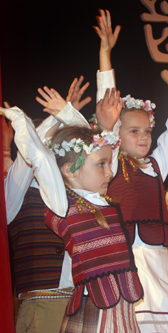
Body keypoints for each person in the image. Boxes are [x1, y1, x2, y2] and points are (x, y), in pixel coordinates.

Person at [92, 9, 168, 332]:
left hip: (161, 262)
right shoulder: (107, 161)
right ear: (117, 133)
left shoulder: (156, 165)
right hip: (125, 262)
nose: (143, 137)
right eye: (133, 131)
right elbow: (106, 109)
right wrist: (105, 54)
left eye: (147, 132)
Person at [2, 101, 144, 332]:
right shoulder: (62, 204)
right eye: (102, 165)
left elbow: (94, 146)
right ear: (68, 169)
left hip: (121, 308)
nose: (110, 172)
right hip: (87, 306)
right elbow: (41, 158)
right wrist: (20, 119)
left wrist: (67, 112)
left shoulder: (98, 200)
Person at [4, 80, 91, 332]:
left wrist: (67, 115)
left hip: (81, 300)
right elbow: (33, 154)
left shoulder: (73, 189)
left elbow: (94, 153)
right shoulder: (17, 187)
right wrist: (57, 118)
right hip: (43, 305)